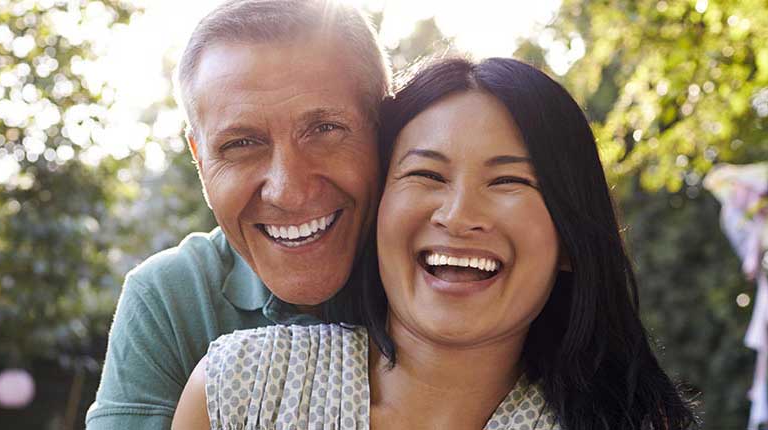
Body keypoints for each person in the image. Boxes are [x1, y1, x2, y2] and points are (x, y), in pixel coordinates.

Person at [172, 58, 698, 429]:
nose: (459, 215)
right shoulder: (241, 389)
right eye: (427, 174)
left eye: (509, 182)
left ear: (569, 239)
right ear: (379, 211)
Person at [85, 1, 390, 428]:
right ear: (199, 159)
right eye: (241, 144)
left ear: (385, 129)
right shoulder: (170, 301)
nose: (289, 192)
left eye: (325, 130)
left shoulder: (453, 277)